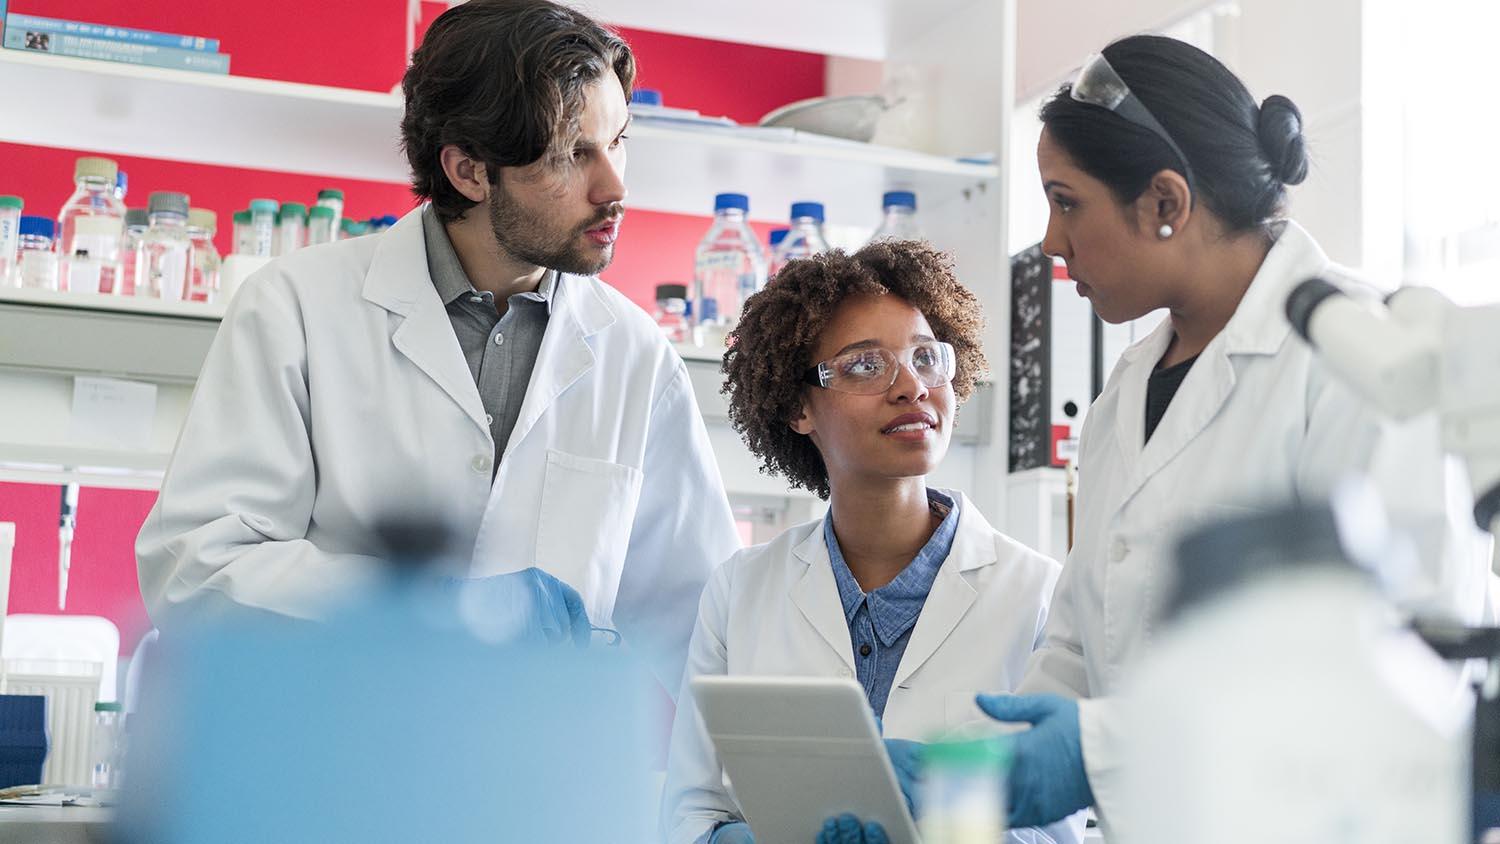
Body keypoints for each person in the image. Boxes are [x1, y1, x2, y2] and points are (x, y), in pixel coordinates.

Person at [877, 34, 1494, 840]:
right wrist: (960, 794)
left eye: (1066, 203)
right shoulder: (1122, 394)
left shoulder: (1361, 357)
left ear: (1165, 203)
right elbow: (1076, 645)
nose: (1053, 245)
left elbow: (1410, 667)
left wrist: (1097, 754)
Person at [134, 0, 741, 688]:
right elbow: (199, 572)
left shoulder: (636, 356)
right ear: (469, 171)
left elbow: (699, 632)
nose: (616, 187)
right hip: (336, 769)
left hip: (538, 780)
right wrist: (436, 611)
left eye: (618, 140)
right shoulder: (295, 309)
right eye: (573, 155)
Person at [661, 241, 1081, 844]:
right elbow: (688, 815)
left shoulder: (1037, 594)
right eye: (865, 365)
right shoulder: (741, 589)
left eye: (926, 358)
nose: (912, 386)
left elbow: (1055, 831)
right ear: (798, 406)